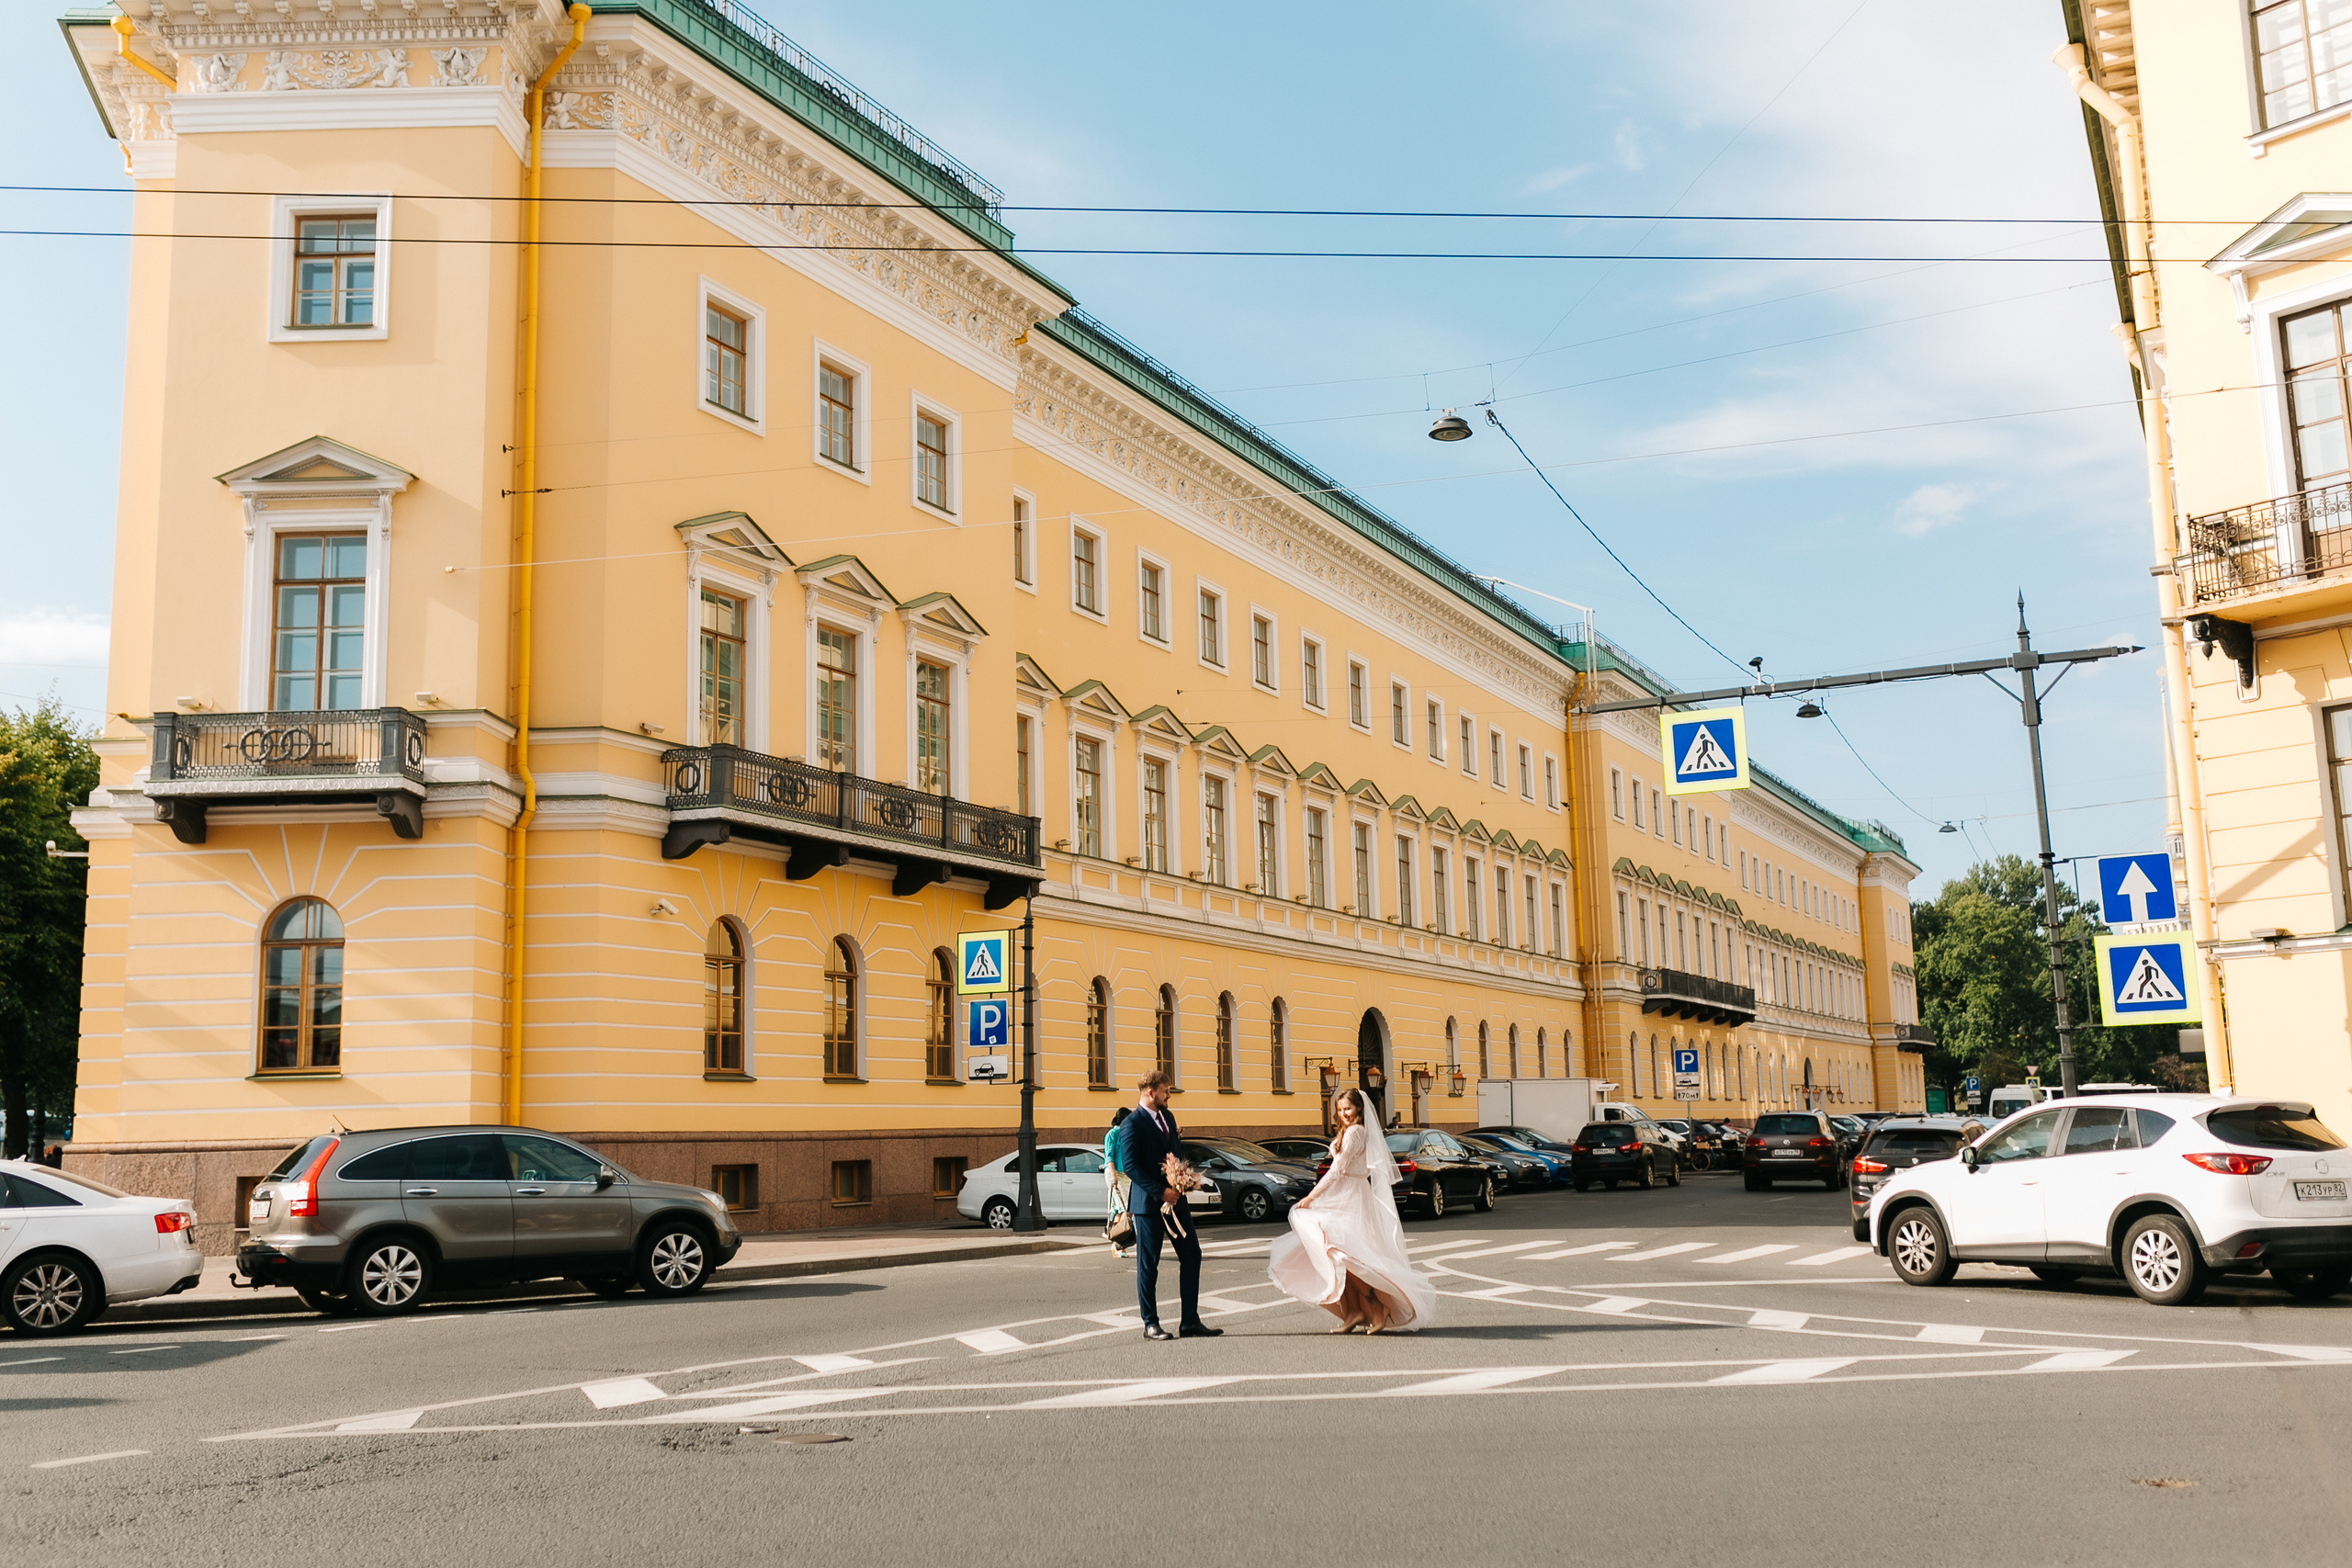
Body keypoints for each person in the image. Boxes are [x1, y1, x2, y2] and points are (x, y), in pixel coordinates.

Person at [1267, 1087, 1436, 1334]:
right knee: (1337, 1255)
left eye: (1348, 1108)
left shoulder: (1356, 1132)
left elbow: (1337, 1170)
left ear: (1359, 1108)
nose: (1344, 1113)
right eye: (1340, 1109)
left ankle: (1377, 1307)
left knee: (1345, 1256)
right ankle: (1354, 1312)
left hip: (1350, 1197)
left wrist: (1312, 1196)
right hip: (1343, 1195)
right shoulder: (1347, 1131)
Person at [1119, 1068, 1220, 1341]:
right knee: (1148, 1265)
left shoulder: (1168, 1117)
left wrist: (1184, 1180)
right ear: (1150, 1093)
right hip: (1149, 1205)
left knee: (1192, 1255)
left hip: (1177, 1201)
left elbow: (1173, 1155)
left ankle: (1190, 1321)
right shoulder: (1132, 1123)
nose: (1169, 1096)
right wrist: (1161, 1191)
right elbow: (1130, 1166)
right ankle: (1150, 1323)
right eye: (1165, 1091)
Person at [1103, 1108, 1133, 1259]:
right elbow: (1109, 1157)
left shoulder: (1127, 1134)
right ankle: (1117, 1244)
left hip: (1127, 1176)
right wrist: (1113, 1177)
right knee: (1123, 1208)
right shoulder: (1112, 1134)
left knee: (1124, 1210)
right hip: (1115, 1175)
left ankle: (1117, 1241)